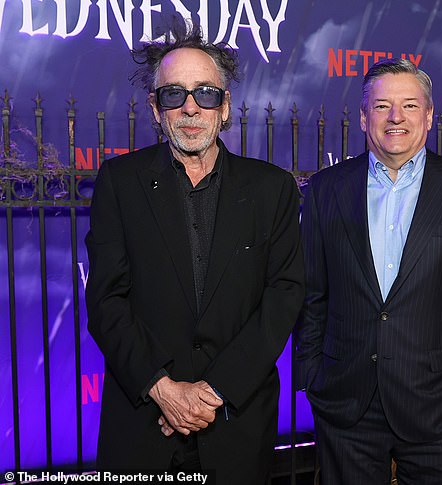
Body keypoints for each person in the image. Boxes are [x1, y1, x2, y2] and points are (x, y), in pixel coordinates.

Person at [85, 22, 304, 485]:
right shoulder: (119, 183)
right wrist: (164, 391)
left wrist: (211, 393)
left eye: (206, 93)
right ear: (154, 109)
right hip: (143, 425)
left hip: (236, 424)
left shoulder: (272, 189)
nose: (190, 107)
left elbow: (283, 297)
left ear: (225, 108)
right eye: (173, 95)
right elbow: (106, 301)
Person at [295, 58, 442, 485]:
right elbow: (312, 295)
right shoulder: (325, 190)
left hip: (439, 407)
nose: (396, 118)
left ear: (428, 116)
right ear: (362, 116)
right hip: (346, 405)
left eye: (409, 106)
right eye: (382, 105)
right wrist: (313, 379)